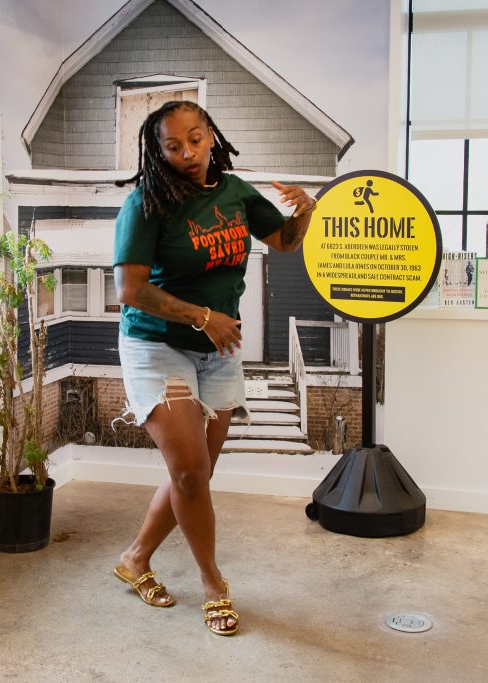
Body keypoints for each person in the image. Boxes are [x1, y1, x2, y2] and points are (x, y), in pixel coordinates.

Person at [111, 100, 316, 636]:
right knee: (189, 473)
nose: (188, 154)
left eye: (196, 140)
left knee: (196, 473)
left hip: (217, 349)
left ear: (211, 136)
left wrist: (305, 211)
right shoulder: (146, 204)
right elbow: (130, 290)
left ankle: (135, 559)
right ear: (157, 152)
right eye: (173, 146)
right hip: (157, 346)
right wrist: (203, 317)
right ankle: (213, 583)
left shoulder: (236, 194)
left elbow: (285, 242)